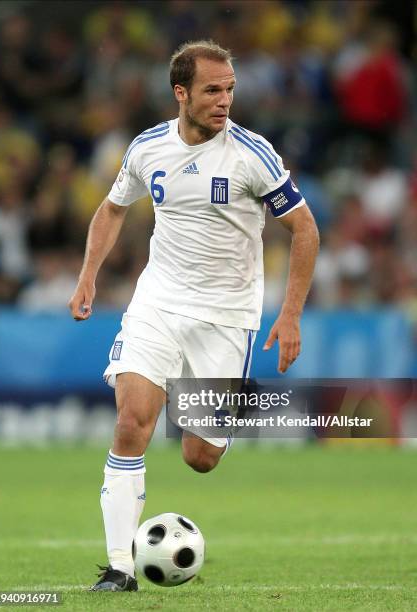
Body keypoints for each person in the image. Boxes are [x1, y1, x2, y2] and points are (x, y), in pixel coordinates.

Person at [68, 40, 319, 592]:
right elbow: (112, 209)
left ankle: (233, 403)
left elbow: (305, 228)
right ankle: (119, 568)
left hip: (227, 316)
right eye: (212, 90)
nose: (224, 100)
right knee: (133, 421)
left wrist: (291, 313)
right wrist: (88, 274)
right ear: (181, 94)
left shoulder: (252, 155)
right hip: (156, 303)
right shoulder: (147, 148)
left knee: (199, 457)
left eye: (230, 89)